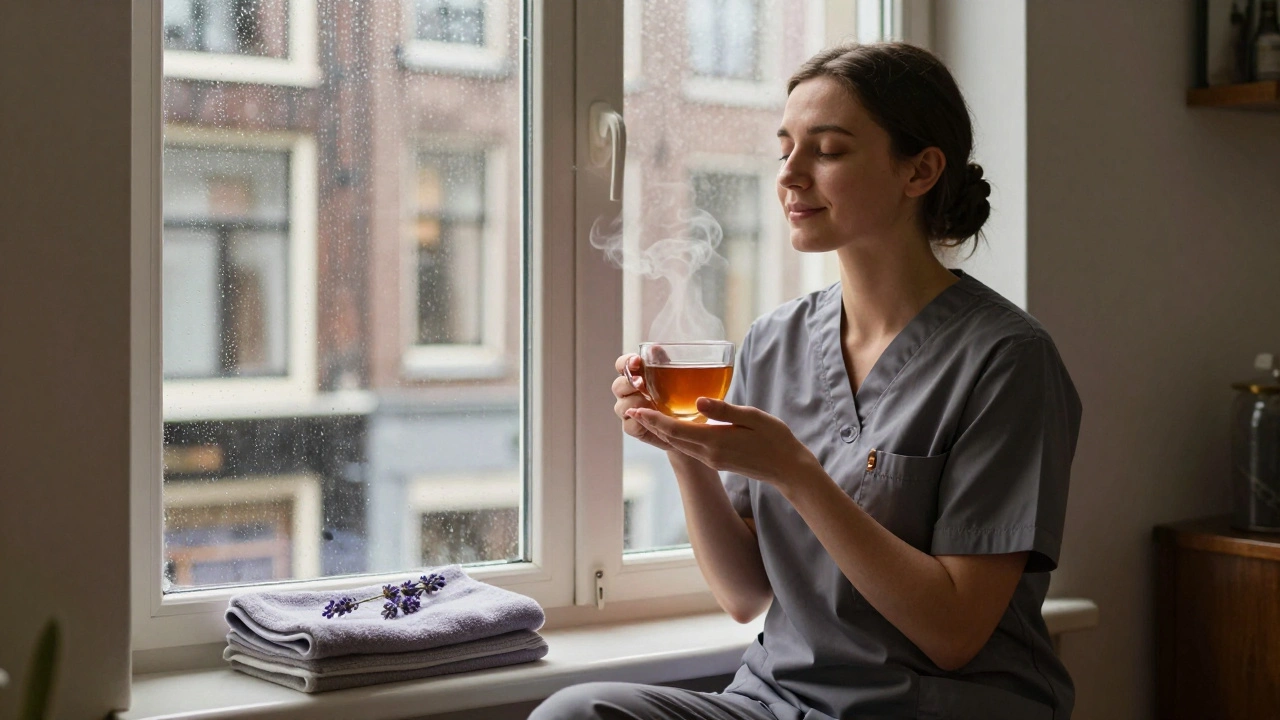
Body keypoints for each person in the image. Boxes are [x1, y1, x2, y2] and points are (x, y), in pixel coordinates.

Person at [530, 41, 1081, 720]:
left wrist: (798, 473)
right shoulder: (774, 341)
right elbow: (744, 594)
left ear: (921, 170)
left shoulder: (1007, 360)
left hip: (935, 706)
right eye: (784, 147)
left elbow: (955, 633)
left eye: (827, 150)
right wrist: (686, 450)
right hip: (776, 702)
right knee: (576, 713)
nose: (789, 175)